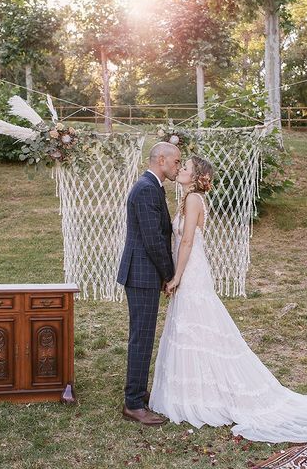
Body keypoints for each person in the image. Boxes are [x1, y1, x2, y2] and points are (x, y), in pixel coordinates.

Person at [149, 155, 307, 443]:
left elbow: (188, 241)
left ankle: (207, 394)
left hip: (191, 271)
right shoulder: (188, 198)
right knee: (190, 328)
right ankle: (193, 390)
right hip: (190, 267)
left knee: (197, 327)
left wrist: (176, 276)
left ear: (196, 176)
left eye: (186, 167)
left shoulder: (193, 201)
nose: (181, 170)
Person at [117, 142, 181, 426]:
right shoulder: (145, 189)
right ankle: (133, 403)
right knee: (141, 337)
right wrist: (170, 274)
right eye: (177, 162)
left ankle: (139, 391)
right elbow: (154, 239)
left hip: (144, 273)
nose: (178, 167)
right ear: (162, 160)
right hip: (141, 273)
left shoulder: (152, 186)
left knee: (143, 335)